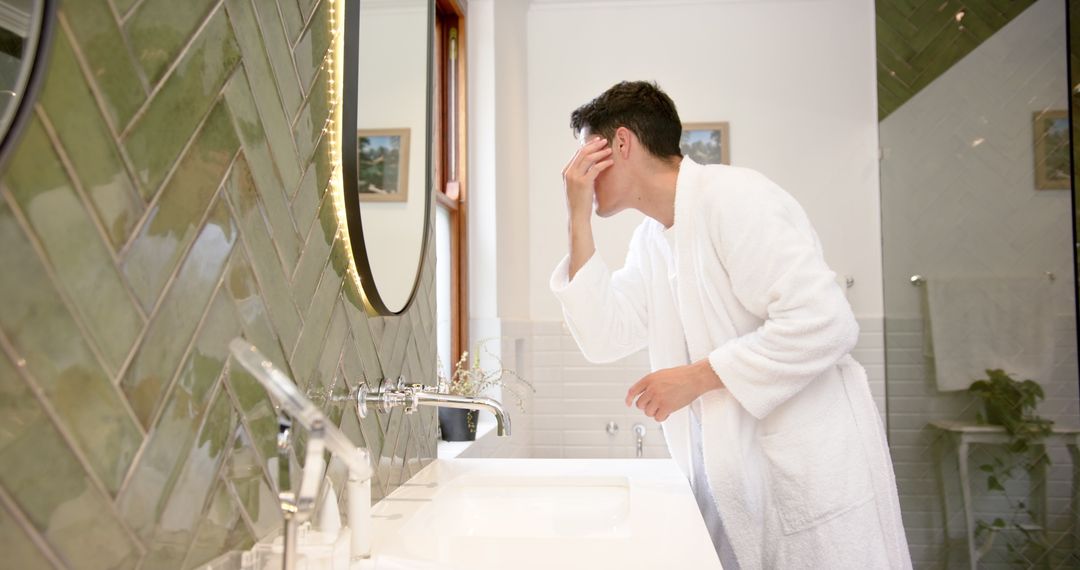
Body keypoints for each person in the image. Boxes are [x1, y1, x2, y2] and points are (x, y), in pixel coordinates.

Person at [549, 81, 912, 569]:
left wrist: (695, 378)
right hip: (731, 481)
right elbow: (602, 336)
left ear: (621, 144)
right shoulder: (653, 240)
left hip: (805, 477)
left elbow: (827, 321)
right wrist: (578, 218)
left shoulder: (736, 199)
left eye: (586, 158)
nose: (579, 176)